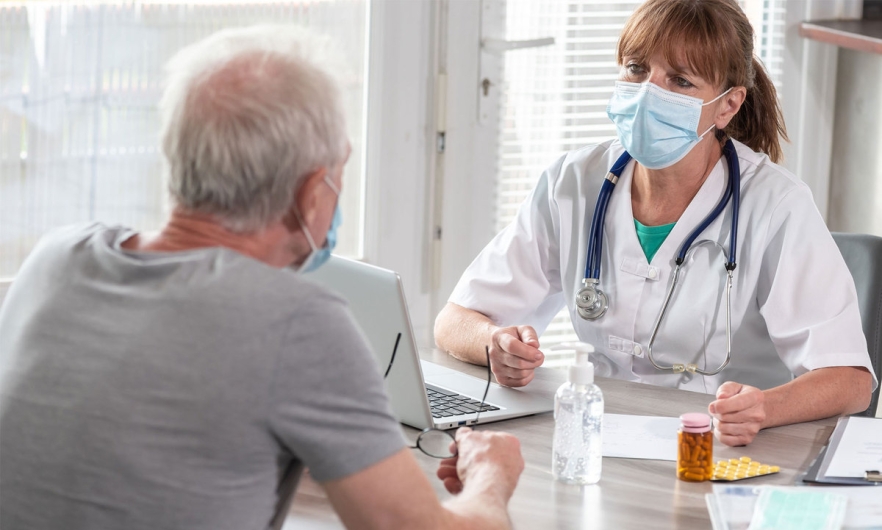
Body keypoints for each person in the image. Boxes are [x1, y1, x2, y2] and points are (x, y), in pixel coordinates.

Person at [0, 26, 523, 530]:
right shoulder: (296, 322)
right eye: (340, 169)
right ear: (311, 193)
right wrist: (491, 476)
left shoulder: (56, 258)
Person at [434, 0, 877, 447]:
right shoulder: (573, 182)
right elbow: (454, 322)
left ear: (727, 106)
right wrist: (495, 343)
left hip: (721, 449)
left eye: (680, 81)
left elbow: (850, 381)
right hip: (596, 437)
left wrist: (764, 408)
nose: (648, 92)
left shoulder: (777, 205)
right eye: (636, 68)